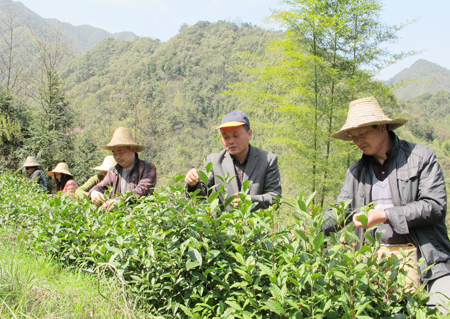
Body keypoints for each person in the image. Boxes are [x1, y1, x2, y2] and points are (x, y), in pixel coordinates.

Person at [321, 96, 450, 307]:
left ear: (382, 127)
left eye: (363, 133)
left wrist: (386, 215)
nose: (358, 141)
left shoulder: (421, 158)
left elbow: (435, 206)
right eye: (353, 136)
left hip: (428, 263)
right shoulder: (356, 172)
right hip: (377, 267)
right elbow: (339, 212)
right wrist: (308, 229)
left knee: (443, 307)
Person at [185, 111, 281, 211]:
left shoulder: (267, 160)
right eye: (225, 137)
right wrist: (193, 183)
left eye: (236, 136)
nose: (230, 141)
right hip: (225, 225)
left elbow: (275, 199)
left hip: (257, 225)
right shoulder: (214, 161)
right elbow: (200, 196)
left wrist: (249, 200)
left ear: (249, 134)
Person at [89, 127, 157, 211]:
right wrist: (94, 192)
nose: (117, 157)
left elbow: (142, 190)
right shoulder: (113, 171)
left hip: (140, 218)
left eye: (120, 153)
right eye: (114, 153)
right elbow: (101, 186)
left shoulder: (147, 168)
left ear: (132, 149)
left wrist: (118, 201)